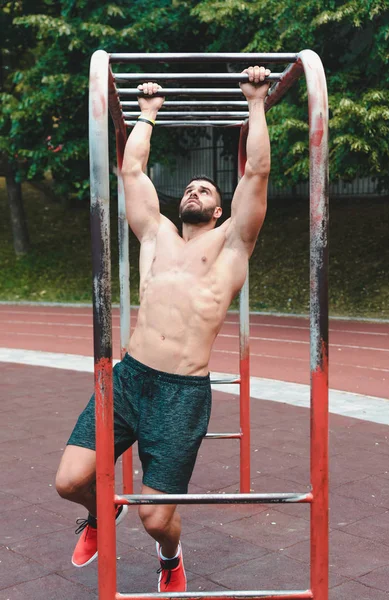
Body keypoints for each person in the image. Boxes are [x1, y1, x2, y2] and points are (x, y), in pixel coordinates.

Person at [55, 66, 271, 592]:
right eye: (190, 187)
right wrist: (146, 116)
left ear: (221, 209)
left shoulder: (231, 246)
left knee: (157, 517)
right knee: (69, 481)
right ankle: (103, 516)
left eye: (206, 188)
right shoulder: (155, 234)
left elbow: (258, 174)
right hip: (129, 380)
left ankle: (170, 556)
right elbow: (132, 173)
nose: (195, 190)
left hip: (182, 396)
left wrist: (257, 103)